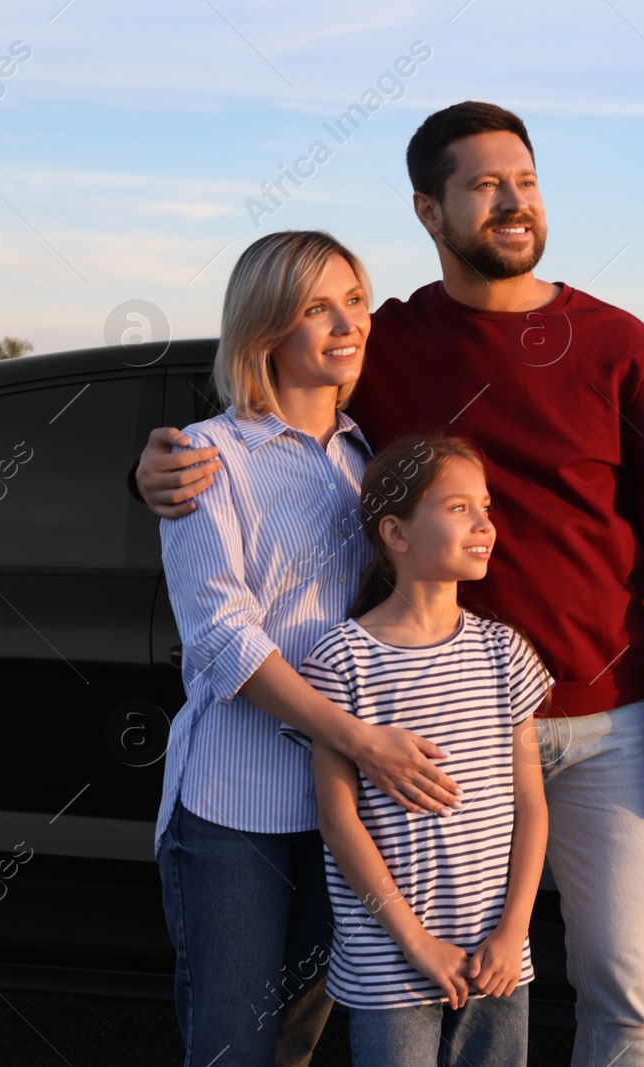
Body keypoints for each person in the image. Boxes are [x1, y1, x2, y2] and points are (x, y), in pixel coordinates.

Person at [133, 102, 644, 1067]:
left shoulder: (615, 343)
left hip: (605, 718)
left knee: (616, 990)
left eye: (525, 181)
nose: (512, 202)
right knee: (385, 988)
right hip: (430, 722)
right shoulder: (392, 346)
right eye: (485, 185)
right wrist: (151, 472)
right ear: (430, 210)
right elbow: (259, 422)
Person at [154, 230, 465, 1067]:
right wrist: (360, 737)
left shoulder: (374, 459)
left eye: (355, 302)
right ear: (266, 330)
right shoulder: (205, 455)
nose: (346, 323)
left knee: (295, 1041)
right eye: (316, 307)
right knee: (233, 1047)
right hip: (234, 808)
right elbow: (223, 637)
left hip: (348, 810)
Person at [284, 433, 550, 1067]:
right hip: (391, 961)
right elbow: (338, 821)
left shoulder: (503, 654)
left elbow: (532, 809)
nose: (484, 524)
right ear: (396, 534)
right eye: (458, 508)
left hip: (497, 956)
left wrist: (513, 934)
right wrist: (415, 943)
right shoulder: (340, 661)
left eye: (486, 507)